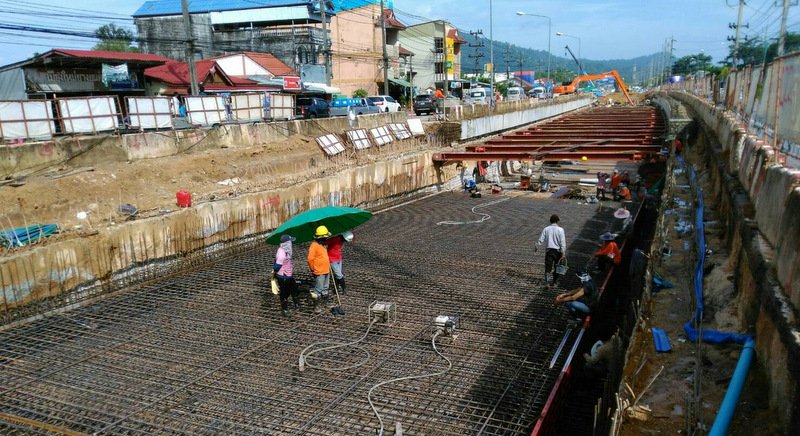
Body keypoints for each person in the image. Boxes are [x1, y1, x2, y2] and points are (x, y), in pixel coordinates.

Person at [536, 214, 566, 288]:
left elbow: (541, 239)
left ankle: (547, 282)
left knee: (548, 267)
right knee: (557, 267)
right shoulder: (560, 230)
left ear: (550, 221)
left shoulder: (546, 229)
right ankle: (555, 282)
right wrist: (563, 252)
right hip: (558, 251)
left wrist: (537, 246)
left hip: (549, 251)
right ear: (557, 221)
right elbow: (562, 242)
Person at [273, 234, 300, 317]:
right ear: (286, 243)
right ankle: (284, 310)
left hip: (288, 275)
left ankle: (296, 304)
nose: (291, 243)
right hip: (283, 276)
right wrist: (274, 274)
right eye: (290, 241)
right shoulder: (281, 252)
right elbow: (277, 265)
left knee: (294, 288)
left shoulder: (287, 251)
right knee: (284, 293)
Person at [308, 225, 332, 313]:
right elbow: (310, 259)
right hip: (319, 271)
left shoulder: (323, 245)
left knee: (325, 287)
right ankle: (316, 307)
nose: (326, 239)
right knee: (318, 289)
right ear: (320, 237)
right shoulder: (314, 245)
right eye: (325, 237)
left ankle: (325, 303)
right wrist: (313, 269)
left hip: (326, 270)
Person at [327, 230, 353, 295]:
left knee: (337, 275)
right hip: (332, 259)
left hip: (339, 258)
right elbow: (324, 242)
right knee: (339, 275)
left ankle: (336, 289)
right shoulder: (334, 239)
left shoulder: (341, 240)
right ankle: (344, 289)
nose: (345, 242)